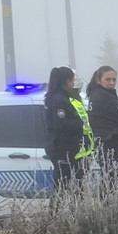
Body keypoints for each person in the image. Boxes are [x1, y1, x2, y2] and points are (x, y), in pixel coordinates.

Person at [44, 66, 92, 196]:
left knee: (71, 190)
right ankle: (56, 215)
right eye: (72, 80)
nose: (73, 83)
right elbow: (61, 125)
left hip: (71, 151)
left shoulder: (64, 98)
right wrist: (80, 123)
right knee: (62, 190)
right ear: (66, 81)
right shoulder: (59, 100)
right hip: (63, 150)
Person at [87, 65, 118, 194]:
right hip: (109, 145)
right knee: (113, 184)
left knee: (117, 182)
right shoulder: (103, 96)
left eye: (114, 79)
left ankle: (113, 212)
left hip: (113, 145)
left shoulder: (103, 95)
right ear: (98, 80)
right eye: (108, 79)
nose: (112, 83)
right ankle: (111, 213)